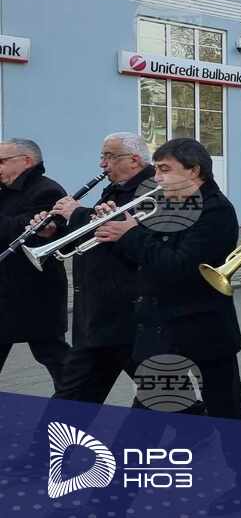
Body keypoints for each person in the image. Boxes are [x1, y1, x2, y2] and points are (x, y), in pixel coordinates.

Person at [92, 137, 241, 493]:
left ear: (194, 171)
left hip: (203, 328)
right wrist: (113, 234)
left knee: (227, 413)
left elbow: (179, 266)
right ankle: (112, 496)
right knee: (147, 419)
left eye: (164, 169)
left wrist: (131, 234)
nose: (156, 177)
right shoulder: (166, 205)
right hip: (163, 327)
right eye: (156, 169)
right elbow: (144, 262)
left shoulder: (216, 211)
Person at [35, 133, 156, 403]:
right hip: (99, 312)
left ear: (134, 160)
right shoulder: (116, 188)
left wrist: (77, 213)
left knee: (162, 394)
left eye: (109, 157)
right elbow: (94, 235)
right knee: (72, 397)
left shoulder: (149, 190)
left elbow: (125, 238)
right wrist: (53, 231)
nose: (102, 164)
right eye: (102, 157)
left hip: (127, 313)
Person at [0, 138, 68, 389]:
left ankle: (77, 400)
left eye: (2, 161)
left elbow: (26, 230)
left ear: (26, 161)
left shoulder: (47, 191)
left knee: (53, 355)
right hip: (6, 289)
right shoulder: (5, 190)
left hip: (34, 291)